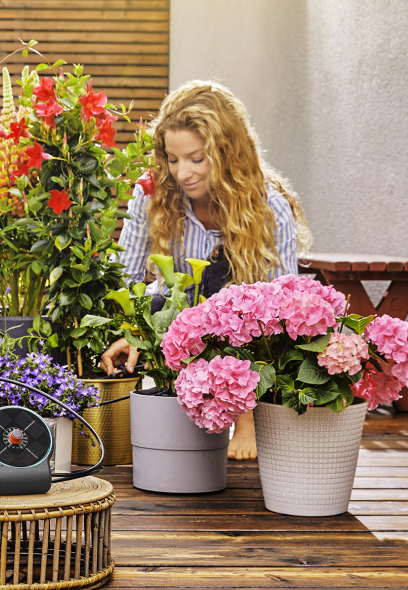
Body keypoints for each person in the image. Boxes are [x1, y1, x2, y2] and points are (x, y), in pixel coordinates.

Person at [100, 80, 312, 460]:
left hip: (242, 338)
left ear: (228, 152)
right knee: (157, 299)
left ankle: (246, 417)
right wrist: (130, 332)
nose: (183, 173)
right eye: (173, 158)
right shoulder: (151, 194)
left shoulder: (268, 206)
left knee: (245, 298)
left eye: (197, 159)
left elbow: (283, 303)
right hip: (174, 328)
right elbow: (127, 280)